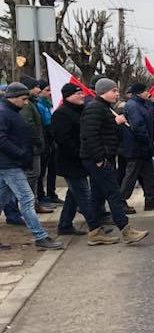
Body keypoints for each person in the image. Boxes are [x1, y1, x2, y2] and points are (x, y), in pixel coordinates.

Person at [79, 79, 149, 244]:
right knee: (114, 193)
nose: (117, 94)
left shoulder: (103, 108)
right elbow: (90, 135)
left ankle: (95, 232)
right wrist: (99, 159)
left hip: (102, 158)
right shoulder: (95, 108)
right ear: (103, 91)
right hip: (97, 159)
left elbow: (103, 132)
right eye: (113, 91)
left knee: (97, 196)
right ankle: (126, 230)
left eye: (117, 91)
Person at [0, 82, 63, 249]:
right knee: (27, 200)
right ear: (12, 98)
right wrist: (20, 153)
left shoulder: (10, 111)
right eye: (23, 99)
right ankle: (40, 237)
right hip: (10, 165)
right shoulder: (4, 113)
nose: (26, 102)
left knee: (2, 200)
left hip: (10, 164)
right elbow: (2, 139)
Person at [51, 84, 99, 238]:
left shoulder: (79, 111)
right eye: (78, 93)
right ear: (68, 96)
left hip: (81, 159)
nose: (82, 96)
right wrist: (79, 154)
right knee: (84, 194)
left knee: (73, 195)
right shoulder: (61, 114)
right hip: (70, 161)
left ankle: (64, 225)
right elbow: (63, 139)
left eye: (82, 93)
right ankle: (95, 227)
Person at [119, 82, 154, 212]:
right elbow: (138, 126)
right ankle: (120, 202)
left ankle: (150, 200)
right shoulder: (133, 106)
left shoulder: (143, 103)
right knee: (131, 176)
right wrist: (146, 141)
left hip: (144, 145)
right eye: (146, 91)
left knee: (148, 175)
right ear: (139, 92)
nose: (148, 93)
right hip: (137, 146)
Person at [17, 75, 50, 212]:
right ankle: (30, 205)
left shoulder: (32, 103)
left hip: (34, 146)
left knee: (35, 175)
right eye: (36, 87)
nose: (38, 89)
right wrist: (38, 142)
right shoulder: (27, 106)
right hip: (31, 147)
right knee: (32, 175)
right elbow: (29, 126)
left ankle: (34, 202)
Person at [36, 79, 61, 206]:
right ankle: (41, 195)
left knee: (52, 169)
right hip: (45, 141)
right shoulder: (39, 105)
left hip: (51, 141)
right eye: (47, 90)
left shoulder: (49, 104)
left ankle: (51, 193)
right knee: (41, 171)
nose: (50, 93)